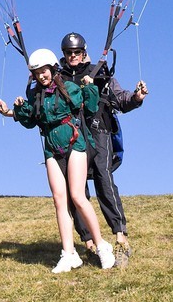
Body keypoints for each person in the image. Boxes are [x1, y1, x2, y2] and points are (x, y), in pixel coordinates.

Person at [0, 48, 117, 274]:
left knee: (77, 197)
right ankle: (68, 254)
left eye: (44, 71)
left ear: (52, 69)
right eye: (37, 72)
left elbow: (90, 107)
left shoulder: (69, 88)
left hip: (74, 143)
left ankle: (102, 246)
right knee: (59, 200)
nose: (42, 75)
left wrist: (89, 86)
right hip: (51, 149)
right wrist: (14, 111)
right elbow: (31, 120)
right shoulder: (36, 96)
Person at [59, 31, 147, 258]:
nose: (73, 56)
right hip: (72, 136)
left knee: (103, 179)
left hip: (99, 131)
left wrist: (136, 97)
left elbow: (119, 98)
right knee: (74, 189)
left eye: (76, 52)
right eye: (68, 53)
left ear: (84, 52)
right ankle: (88, 242)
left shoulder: (100, 73)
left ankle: (120, 235)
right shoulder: (58, 78)